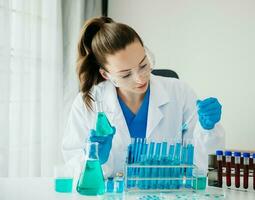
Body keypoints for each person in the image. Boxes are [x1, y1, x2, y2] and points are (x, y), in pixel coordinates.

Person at [62, 16, 225, 177]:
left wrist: (207, 130)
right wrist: (96, 159)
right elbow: (74, 166)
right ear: (106, 74)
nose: (140, 78)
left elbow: (203, 167)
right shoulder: (89, 103)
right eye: (125, 75)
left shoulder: (179, 92)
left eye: (143, 65)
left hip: (167, 193)